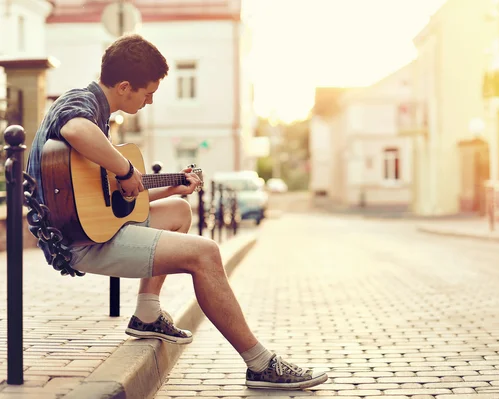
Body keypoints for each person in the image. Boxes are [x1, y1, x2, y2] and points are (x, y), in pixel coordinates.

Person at [25, 34, 328, 390]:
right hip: (78, 242)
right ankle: (260, 364)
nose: (150, 100)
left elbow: (109, 205)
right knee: (206, 253)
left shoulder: (97, 112)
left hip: (90, 227)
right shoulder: (81, 103)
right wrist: (124, 169)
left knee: (179, 210)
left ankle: (147, 314)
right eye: (147, 93)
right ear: (124, 86)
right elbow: (76, 130)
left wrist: (169, 187)